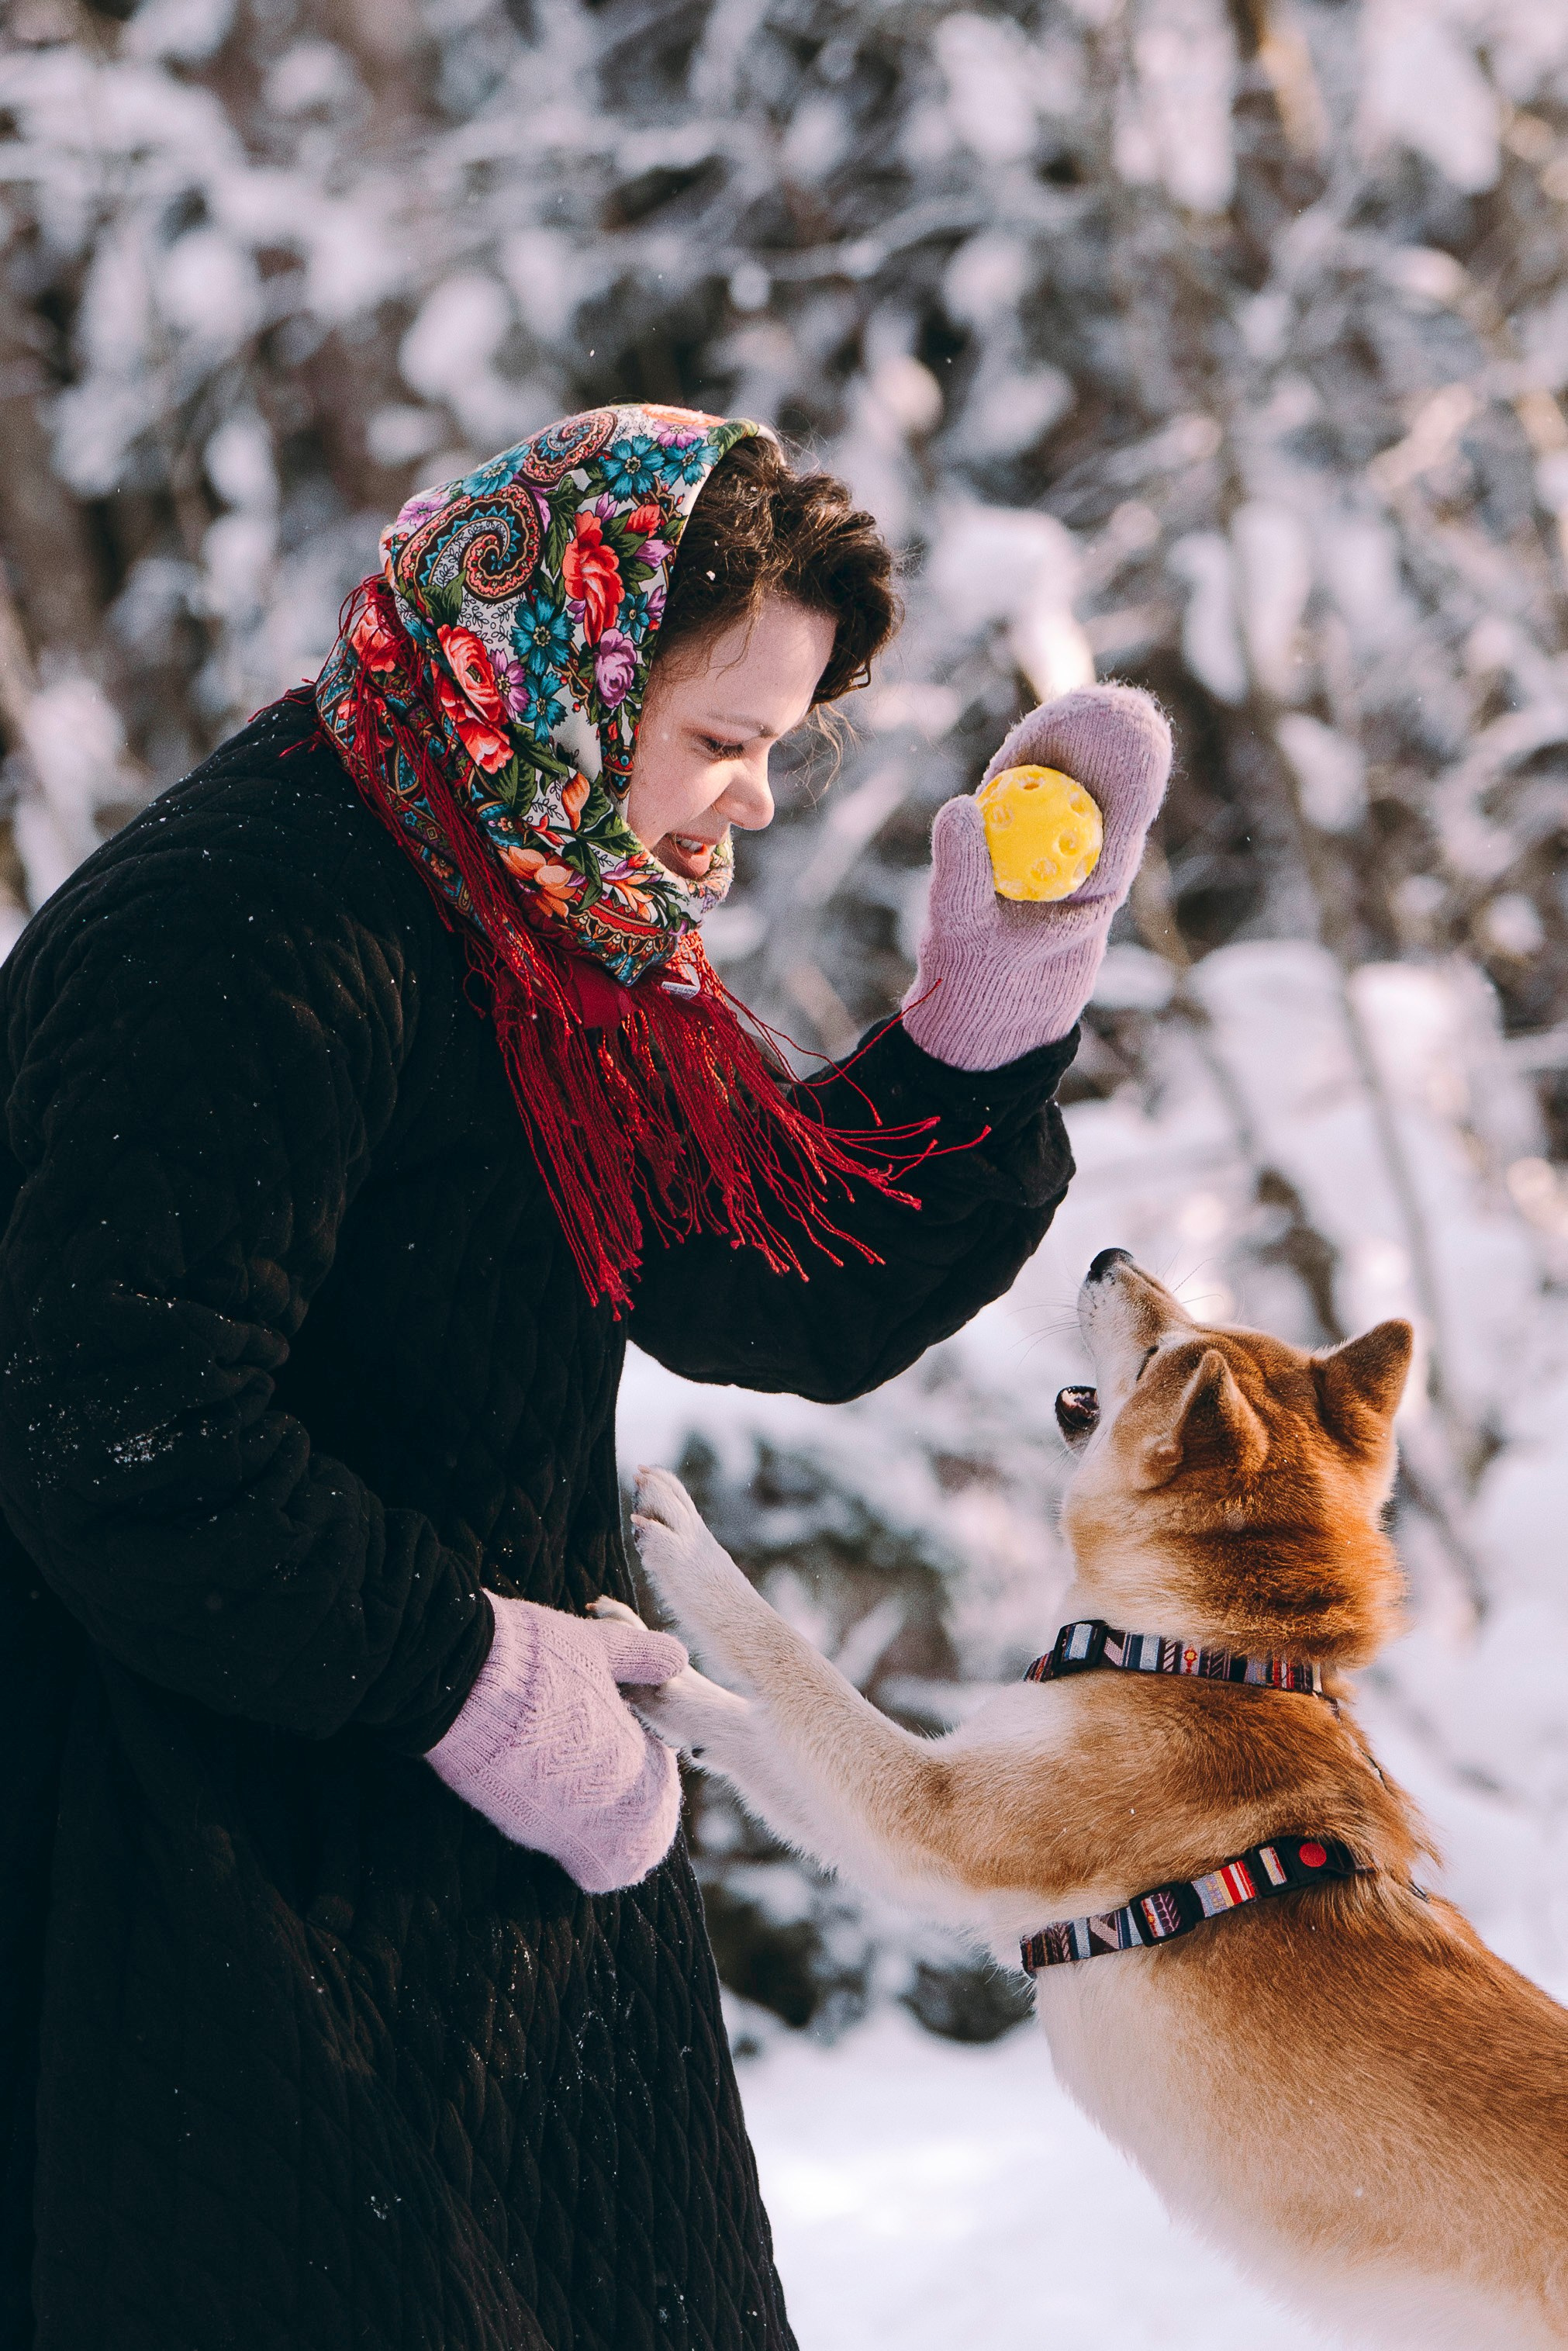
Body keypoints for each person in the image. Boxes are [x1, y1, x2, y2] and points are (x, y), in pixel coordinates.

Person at [0, 403, 1169, 2351]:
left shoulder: (542, 911)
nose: (759, 798)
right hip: (212, 1911)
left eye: (782, 746)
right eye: (725, 738)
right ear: (563, 666)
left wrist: (985, 1021)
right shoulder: (237, 930)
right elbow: (109, 1431)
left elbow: (761, 1275)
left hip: (502, 1886)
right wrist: (464, 1671)